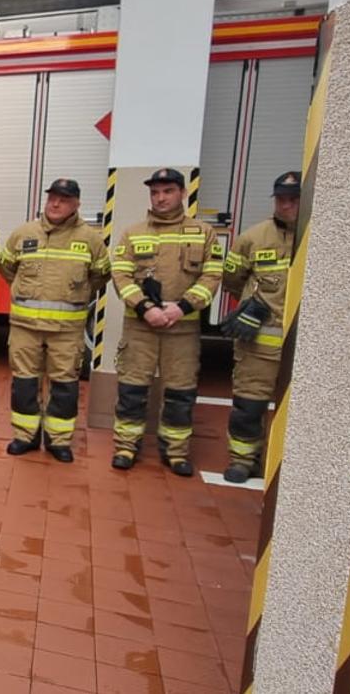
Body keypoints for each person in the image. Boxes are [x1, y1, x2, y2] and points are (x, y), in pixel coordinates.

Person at [109, 168, 222, 476]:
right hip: (140, 327)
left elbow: (212, 275)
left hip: (182, 329)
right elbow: (120, 274)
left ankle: (175, 451)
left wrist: (182, 307)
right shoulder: (133, 233)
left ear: (182, 193)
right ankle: (125, 446)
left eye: (167, 191)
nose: (160, 198)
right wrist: (145, 308)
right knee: (132, 389)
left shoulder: (203, 233)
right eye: (155, 192)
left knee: (180, 392)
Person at [0, 178, 110, 462]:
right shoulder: (24, 233)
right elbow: (7, 267)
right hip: (25, 327)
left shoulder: (91, 240)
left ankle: (59, 441)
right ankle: (25, 436)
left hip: (67, 330)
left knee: (64, 385)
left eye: (63, 199)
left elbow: (99, 276)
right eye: (52, 198)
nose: (56, 204)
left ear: (76, 204)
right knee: (24, 383)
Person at [219, 171, 300, 483]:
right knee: (248, 406)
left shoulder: (322, 238)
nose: (286, 205)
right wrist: (252, 305)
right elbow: (232, 280)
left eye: (293, 199)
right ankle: (243, 460)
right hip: (259, 346)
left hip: (303, 348)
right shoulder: (253, 238)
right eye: (281, 199)